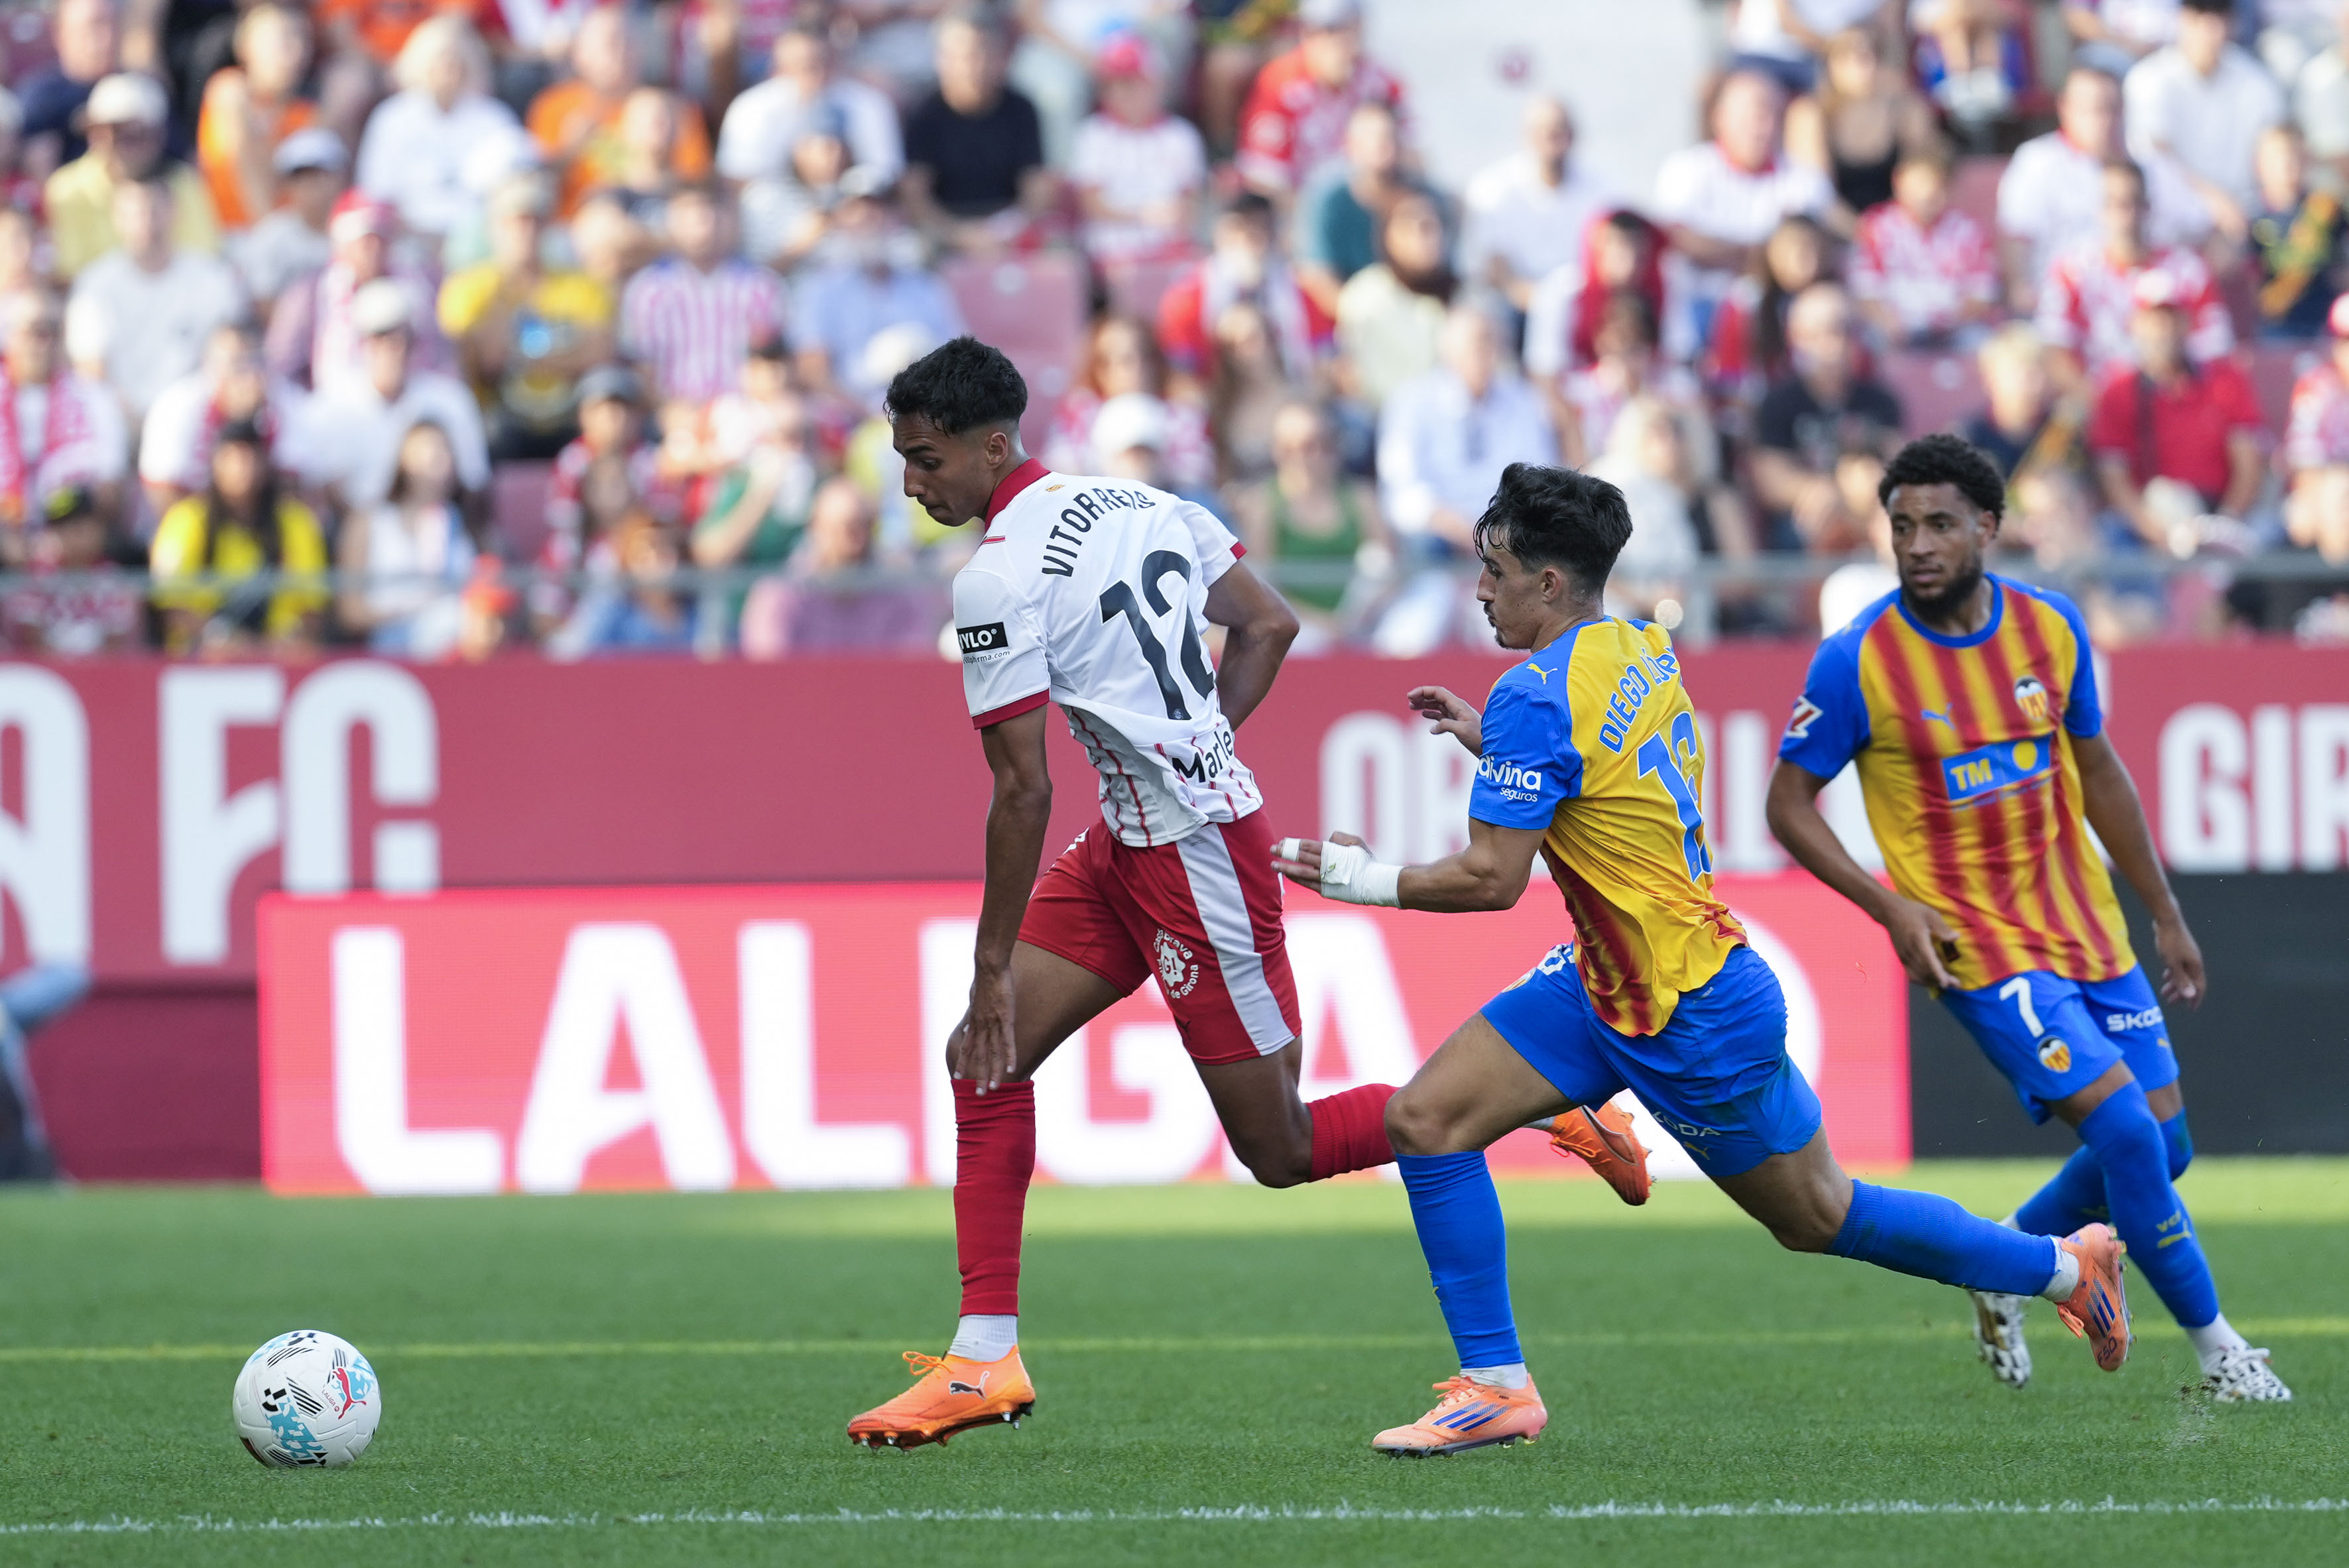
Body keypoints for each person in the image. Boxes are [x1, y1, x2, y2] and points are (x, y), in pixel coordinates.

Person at [841, 337, 1637, 1451]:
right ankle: (983, 1359)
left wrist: (987, 966)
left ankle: (1531, 1098)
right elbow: (1268, 622)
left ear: (991, 444)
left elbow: (1021, 792)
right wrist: (1193, 744)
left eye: (925, 460)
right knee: (987, 1053)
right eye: (901, 460)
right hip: (1130, 840)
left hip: (1193, 858)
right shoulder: (1138, 497)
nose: (913, 483)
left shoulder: (994, 577)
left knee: (1279, 1153)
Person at [1268, 459, 2132, 1456]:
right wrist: (1488, 746)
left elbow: (1488, 880)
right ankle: (1495, 1383)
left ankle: (2065, 1268)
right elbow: (1600, 777)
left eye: (1494, 569)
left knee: (1819, 1217)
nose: (1477, 589)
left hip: (1687, 1006)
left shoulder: (1532, 695)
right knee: (1425, 1121)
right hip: (1606, 978)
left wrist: (1358, 878)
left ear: (1549, 583)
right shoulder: (1635, 642)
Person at [1766, 432, 2290, 1404]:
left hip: (2085, 927)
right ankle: (2222, 1353)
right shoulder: (1858, 662)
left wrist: (2163, 914)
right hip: (1976, 949)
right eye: (1899, 527)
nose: (1915, 544)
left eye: (1936, 524)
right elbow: (1784, 806)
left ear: (1986, 529)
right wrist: (1888, 906)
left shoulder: (2048, 629)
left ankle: (2004, 1259)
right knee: (2131, 1141)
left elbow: (2097, 772)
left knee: (2165, 1147)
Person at [1996, 67, 2210, 312]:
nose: (2104, 120)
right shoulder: (2038, 161)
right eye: (2093, 110)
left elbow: (2200, 225)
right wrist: (2019, 288)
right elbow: (2016, 234)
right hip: (2067, 306)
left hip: (2147, 309)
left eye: (2112, 108)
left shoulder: (2150, 160)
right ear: (2065, 108)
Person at [2086, 268, 2266, 552]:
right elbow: (2115, 478)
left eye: (2171, 319)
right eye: (2154, 320)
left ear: (2187, 322)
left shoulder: (2225, 382)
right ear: (2136, 324)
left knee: (2266, 536)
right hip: (2148, 523)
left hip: (2218, 513)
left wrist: (2223, 525)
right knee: (2111, 535)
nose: (2163, 330)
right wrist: (2162, 535)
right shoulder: (2118, 391)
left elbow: (2248, 464)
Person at [438, 172, 615, 459]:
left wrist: (520, 356)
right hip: (501, 417)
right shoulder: (469, 288)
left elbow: (600, 353)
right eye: (514, 222)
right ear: (494, 227)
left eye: (535, 220)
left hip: (570, 414)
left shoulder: (581, 286)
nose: (525, 231)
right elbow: (482, 360)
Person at [1650, 71, 1835, 345]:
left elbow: (1816, 251)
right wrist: (1767, 254)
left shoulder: (1805, 181)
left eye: (1769, 115)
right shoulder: (1686, 170)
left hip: (1781, 312)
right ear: (1720, 118)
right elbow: (1676, 239)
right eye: (1749, 117)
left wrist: (1729, 253)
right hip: (1699, 309)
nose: (1760, 128)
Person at [1378, 301, 1559, 555]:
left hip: (1509, 536)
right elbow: (1404, 492)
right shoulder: (1412, 402)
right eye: (1479, 342)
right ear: (1448, 349)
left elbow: (1540, 475)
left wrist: (1500, 535)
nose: (1489, 352)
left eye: (1495, 342)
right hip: (1440, 537)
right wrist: (1469, 533)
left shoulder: (1523, 399)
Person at [296, 276, 489, 511]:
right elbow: (316, 491)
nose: (394, 347)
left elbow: (474, 483)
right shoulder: (329, 408)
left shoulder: (451, 400)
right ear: (363, 343)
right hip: (356, 530)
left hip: (436, 526)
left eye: (403, 336)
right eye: (381, 336)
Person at [65, 175, 247, 424]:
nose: (146, 222)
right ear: (116, 219)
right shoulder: (94, 284)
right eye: (135, 213)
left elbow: (227, 354)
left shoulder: (213, 278)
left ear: (174, 212)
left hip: (194, 418)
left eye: (154, 210)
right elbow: (90, 367)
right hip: (117, 419)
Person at [2035, 158, 2232, 387]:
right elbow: (2054, 347)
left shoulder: (2187, 271)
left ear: (2147, 207)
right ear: (2099, 209)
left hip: (2172, 402)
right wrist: (2103, 408)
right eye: (2113, 203)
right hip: (2097, 402)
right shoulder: (2073, 270)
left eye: (2132, 203)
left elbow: (2214, 351)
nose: (2124, 215)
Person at [149, 415, 328, 653]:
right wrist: (223, 637)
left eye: (250, 457)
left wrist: (273, 644)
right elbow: (170, 604)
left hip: (280, 654)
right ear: (215, 463)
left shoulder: (296, 522)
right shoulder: (186, 520)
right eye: (232, 458)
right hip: (201, 657)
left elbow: (312, 605)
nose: (243, 468)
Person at [1750, 282, 1905, 551]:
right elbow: (1770, 479)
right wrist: (1829, 490)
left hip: (1872, 512)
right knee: (1796, 531)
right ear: (1797, 338)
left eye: (1843, 331)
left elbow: (1900, 463)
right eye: (1819, 333)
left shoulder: (1880, 401)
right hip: (1809, 514)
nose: (1834, 344)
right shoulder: (1779, 403)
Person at [786, 180, 967, 400]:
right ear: (839, 221)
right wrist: (871, 416)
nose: (873, 218)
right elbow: (814, 373)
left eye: (883, 208)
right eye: (859, 210)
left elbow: (958, 359)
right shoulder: (819, 290)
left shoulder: (926, 286)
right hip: (854, 419)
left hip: (928, 414)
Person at [1230, 397, 1392, 640]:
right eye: (1296, 448)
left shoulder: (1360, 499)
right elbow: (1264, 587)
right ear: (1278, 452)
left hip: (1360, 623)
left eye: (1322, 445)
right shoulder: (1264, 506)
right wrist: (1321, 623)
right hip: (1298, 625)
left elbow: (1389, 573)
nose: (1310, 457)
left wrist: (1351, 621)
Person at [526, 7, 713, 217]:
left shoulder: (674, 111)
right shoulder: (554, 108)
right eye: (612, 44)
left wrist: (659, 159)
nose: (623, 53)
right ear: (580, 54)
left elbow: (697, 186)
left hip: (655, 225)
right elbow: (533, 187)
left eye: (630, 43)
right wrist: (568, 152)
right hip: (571, 228)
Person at [2123, 0, 2284, 239]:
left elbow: (2275, 154)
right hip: (2169, 224)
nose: (2212, 29)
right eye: (2201, 17)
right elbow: (2154, 159)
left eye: (2220, 17)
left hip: (2248, 221)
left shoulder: (2256, 81)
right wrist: (2216, 204)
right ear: (2182, 20)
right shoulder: (2148, 79)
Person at [354, 17, 526, 241]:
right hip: (407, 238)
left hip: (480, 238)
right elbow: (376, 191)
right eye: (440, 62)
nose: (448, 71)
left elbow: (514, 188)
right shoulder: (392, 118)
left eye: (456, 62)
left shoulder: (494, 118)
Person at [737, 474, 945, 655]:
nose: (855, 543)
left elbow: (914, 665)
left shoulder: (902, 592)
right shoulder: (778, 596)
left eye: (864, 526)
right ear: (814, 528)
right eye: (842, 529)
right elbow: (769, 673)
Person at [618, 185, 784, 410]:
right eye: (690, 214)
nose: (704, 224)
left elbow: (772, 365)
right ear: (671, 222)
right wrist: (671, 413)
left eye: (713, 212)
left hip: (746, 415)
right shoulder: (648, 289)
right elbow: (642, 368)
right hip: (671, 419)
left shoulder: (761, 285)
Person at [900, 11, 1053, 252]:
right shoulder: (923, 114)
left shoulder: (1022, 109)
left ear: (1001, 58)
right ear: (940, 60)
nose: (973, 66)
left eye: (982, 54)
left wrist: (1005, 231)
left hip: (1009, 225)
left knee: (1059, 254)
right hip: (946, 227)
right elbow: (915, 198)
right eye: (961, 57)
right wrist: (958, 234)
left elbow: (1037, 190)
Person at [267, 191, 449, 392]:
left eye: (381, 238)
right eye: (364, 240)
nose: (374, 248)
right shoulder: (310, 293)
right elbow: (282, 366)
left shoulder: (419, 286)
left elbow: (442, 357)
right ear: (342, 245)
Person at [44, 71, 221, 279]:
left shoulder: (182, 182)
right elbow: (70, 271)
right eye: (106, 131)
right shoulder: (67, 189)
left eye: (134, 134)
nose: (118, 144)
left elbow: (205, 257)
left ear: (159, 135)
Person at [1234, 0, 1407, 203]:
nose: (1337, 41)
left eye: (1345, 29)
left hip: (1370, 205)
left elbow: (1413, 155)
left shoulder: (1381, 82)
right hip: (1300, 207)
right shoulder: (1279, 83)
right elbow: (1263, 177)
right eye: (1325, 30)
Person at [336, 417, 479, 658]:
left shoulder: (468, 526)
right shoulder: (370, 522)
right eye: (428, 450)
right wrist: (415, 611)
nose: (438, 460)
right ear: (404, 459)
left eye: (445, 450)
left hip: (457, 656)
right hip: (393, 655)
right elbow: (351, 611)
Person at [1156, 192, 1332, 387]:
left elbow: (1325, 364)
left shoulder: (1306, 293)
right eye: (1240, 229)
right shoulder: (1186, 300)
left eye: (1263, 227)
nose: (1253, 239)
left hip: (1290, 396)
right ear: (1219, 233)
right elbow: (1181, 379)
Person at [1461, 96, 1613, 319]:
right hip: (1516, 305)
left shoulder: (1603, 188)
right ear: (1526, 136)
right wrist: (1538, 301)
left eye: (1559, 131)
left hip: (1581, 301)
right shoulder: (1493, 188)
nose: (1551, 139)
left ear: (1574, 135)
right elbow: (1493, 264)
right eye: (1542, 131)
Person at [1960, 323, 2098, 564]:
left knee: (2052, 497)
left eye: (2038, 374)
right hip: (1994, 542)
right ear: (1992, 378)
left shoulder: (2060, 430)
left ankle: (2092, 597)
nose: (2033, 385)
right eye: (2023, 375)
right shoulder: (1969, 437)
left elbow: (2080, 497)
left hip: (2053, 538)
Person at [715, 23, 904, 197]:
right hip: (776, 212)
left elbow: (886, 172)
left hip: (855, 212)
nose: (817, 75)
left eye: (824, 63)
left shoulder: (868, 102)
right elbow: (739, 180)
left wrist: (844, 187)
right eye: (804, 66)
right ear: (778, 67)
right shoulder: (752, 109)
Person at [1068, 34, 1207, 267]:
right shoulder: (1093, 134)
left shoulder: (1181, 135)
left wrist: (1166, 218)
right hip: (1108, 252)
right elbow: (1091, 205)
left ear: (1156, 84)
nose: (1124, 92)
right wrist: (1146, 215)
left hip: (1169, 252)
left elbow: (1189, 205)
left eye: (1133, 82)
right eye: (1115, 84)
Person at [0, 290, 129, 529]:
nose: (45, 343)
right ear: (11, 336)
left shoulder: (95, 398)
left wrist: (64, 504)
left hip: (71, 540)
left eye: (54, 332)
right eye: (36, 331)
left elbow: (112, 491)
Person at [1784, 26, 1943, 219]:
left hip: (1894, 229)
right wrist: (1861, 234)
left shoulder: (1904, 110)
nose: (1868, 67)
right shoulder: (1811, 115)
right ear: (1832, 63)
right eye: (1856, 58)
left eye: (1874, 55)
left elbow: (1926, 180)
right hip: (1832, 229)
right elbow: (1818, 197)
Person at [1042, 315, 1213, 491]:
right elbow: (1062, 471)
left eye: (1145, 356)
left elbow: (1197, 473)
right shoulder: (1079, 413)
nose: (1137, 368)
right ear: (1100, 369)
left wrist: (1150, 469)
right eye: (1124, 360)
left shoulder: (1181, 414)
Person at [1848, 149, 2000, 346]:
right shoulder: (1875, 227)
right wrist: (1889, 323)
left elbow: (1982, 293)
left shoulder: (1969, 231)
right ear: (1899, 182)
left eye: (1936, 185)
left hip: (1954, 329)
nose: (1927, 194)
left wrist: (1950, 322)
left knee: (1984, 342)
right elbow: (1865, 291)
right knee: (1865, 341)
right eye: (1920, 183)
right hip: (1892, 327)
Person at [1294, 99, 1433, 315]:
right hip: (1356, 319)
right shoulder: (1329, 201)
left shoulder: (1421, 195)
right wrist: (1362, 322)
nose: (1384, 146)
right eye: (1374, 139)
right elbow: (1317, 275)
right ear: (1352, 145)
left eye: (1390, 137)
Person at [195, 2, 318, 232]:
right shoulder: (229, 91)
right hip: (234, 234)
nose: (297, 51)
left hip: (292, 235)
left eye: (303, 39)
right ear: (246, 47)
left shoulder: (306, 114)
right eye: (284, 41)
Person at [1333, 189, 1453, 412]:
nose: (1422, 237)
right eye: (1410, 227)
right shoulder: (1365, 298)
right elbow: (1368, 385)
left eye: (1429, 226)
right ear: (1388, 235)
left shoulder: (1469, 296)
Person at [1, 485, 143, 654]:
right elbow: (31, 636)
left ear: (100, 529)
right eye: (62, 529)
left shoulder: (112, 576)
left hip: (100, 671)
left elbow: (115, 640)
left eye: (80, 527)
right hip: (46, 673)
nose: (72, 536)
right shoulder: (37, 576)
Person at [227, 125, 345, 314]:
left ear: (339, 178)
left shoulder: (358, 232)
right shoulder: (271, 236)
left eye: (318, 176)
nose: (310, 187)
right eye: (300, 178)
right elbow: (263, 303)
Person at [2248, 121, 2347, 337]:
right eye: (2278, 157)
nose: (2288, 165)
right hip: (2277, 326)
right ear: (2259, 164)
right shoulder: (2252, 220)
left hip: (2326, 324)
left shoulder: (2326, 209)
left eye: (2295, 156)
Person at [20, 0, 121, 178]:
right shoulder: (40, 100)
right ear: (60, 32)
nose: (108, 37)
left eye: (114, 23)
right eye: (95, 26)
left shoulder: (142, 91)